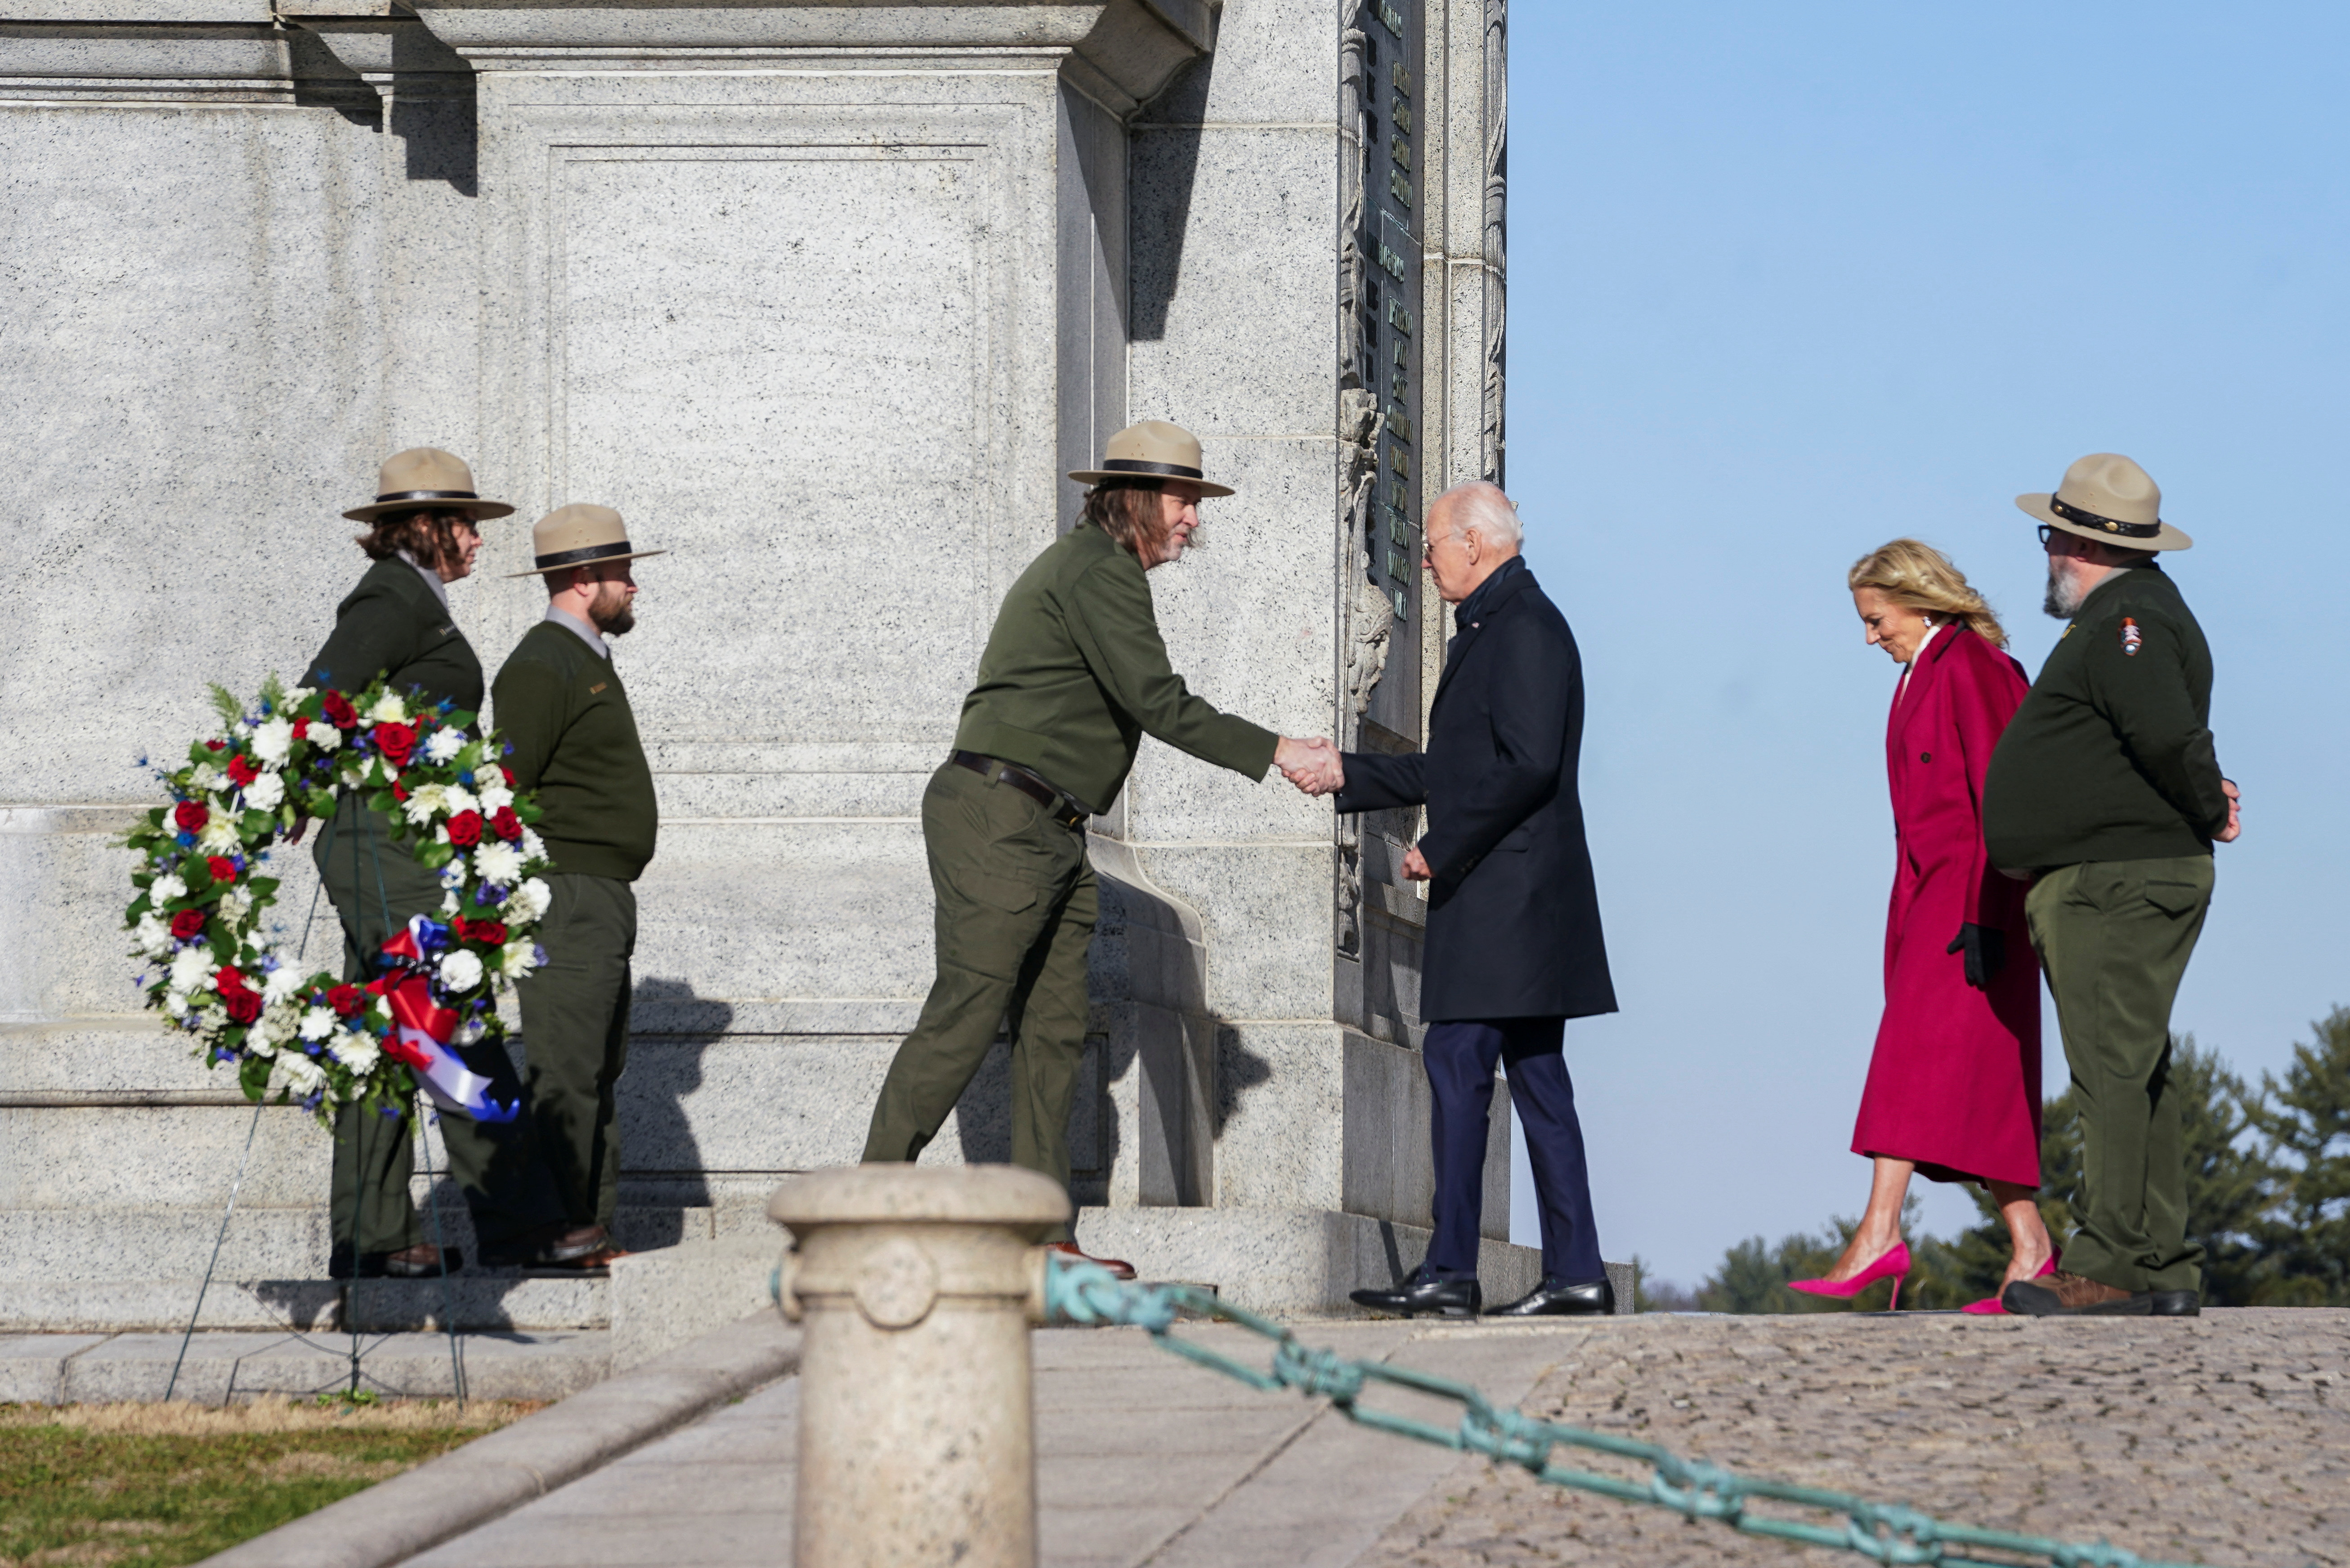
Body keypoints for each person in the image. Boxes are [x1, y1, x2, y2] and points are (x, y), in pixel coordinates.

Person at [860, 421, 1341, 1279]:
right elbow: (1158, 700)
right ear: (1137, 500)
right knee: (965, 1015)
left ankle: (1044, 1238)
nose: (1195, 519)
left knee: (1052, 1036)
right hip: (1002, 818)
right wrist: (1278, 751)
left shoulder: (1098, 570)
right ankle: (858, 1218)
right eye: (1185, 500)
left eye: (1195, 502)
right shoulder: (1097, 571)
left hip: (1050, 827)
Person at [1307, 481, 1618, 1319]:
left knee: (1456, 1061)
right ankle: (1577, 1272)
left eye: (1434, 544)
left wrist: (1439, 846)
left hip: (1504, 899)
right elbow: (1458, 765)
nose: (1428, 560)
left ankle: (1452, 1268)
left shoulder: (1523, 629)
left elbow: (1524, 767)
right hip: (1514, 899)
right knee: (1538, 1080)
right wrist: (1348, 771)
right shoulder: (1498, 624)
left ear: (1474, 543)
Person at [1984, 454, 2240, 1317]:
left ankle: (2109, 1258)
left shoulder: (2127, 616)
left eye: (2049, 535)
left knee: (2108, 1069)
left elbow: (2166, 733)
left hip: (2114, 881)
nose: (2045, 551)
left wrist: (2210, 803)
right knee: (2135, 1068)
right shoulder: (2133, 612)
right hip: (2118, 873)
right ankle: (2159, 1258)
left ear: (2074, 542)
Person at [306, 448, 569, 1278]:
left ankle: (372, 1235)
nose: (479, 541)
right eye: (466, 525)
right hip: (380, 845)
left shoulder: (419, 600)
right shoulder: (390, 597)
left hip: (392, 843)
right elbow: (323, 695)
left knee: (385, 1039)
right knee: (451, 1017)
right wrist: (298, 787)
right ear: (426, 527)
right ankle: (519, 1219)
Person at [1785, 541, 2054, 1313]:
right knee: (1973, 1087)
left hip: (1972, 905)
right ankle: (2031, 1246)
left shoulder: (1975, 666)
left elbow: (2006, 799)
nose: (1870, 638)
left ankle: (1878, 1233)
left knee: (1908, 1063)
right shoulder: (1917, 675)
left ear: (1919, 598)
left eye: (1875, 620)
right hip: (1926, 900)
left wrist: (1988, 912)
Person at [492, 504, 668, 1273]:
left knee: (596, 1067)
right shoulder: (542, 664)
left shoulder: (584, 657)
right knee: (567, 1069)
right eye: (622, 572)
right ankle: (559, 1236)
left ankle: (589, 1232)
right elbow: (502, 787)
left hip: (600, 891)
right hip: (566, 892)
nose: (634, 585)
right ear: (581, 579)